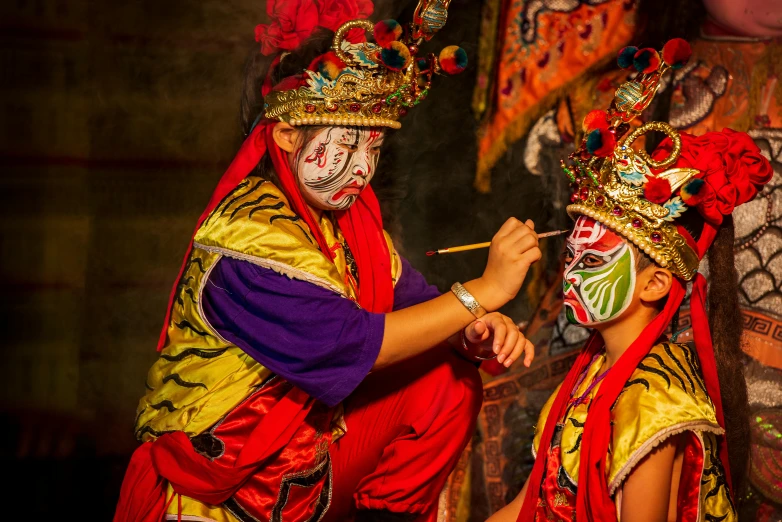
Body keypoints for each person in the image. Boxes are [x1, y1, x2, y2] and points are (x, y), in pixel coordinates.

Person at [113, 2, 543, 522]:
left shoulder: (351, 222)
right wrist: (482, 293)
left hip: (306, 449)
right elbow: (353, 344)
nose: (362, 168)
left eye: (374, 147)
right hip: (226, 470)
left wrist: (468, 329)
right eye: (345, 143)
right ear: (287, 134)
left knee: (447, 379)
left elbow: (418, 306)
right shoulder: (249, 237)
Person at [489, 39, 772, 521]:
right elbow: (524, 509)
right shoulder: (587, 376)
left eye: (595, 261)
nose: (572, 273)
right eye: (573, 255)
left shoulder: (653, 397)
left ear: (655, 284)